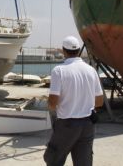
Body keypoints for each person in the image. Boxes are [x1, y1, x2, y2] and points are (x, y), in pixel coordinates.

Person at [43, 36, 104, 166]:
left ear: (64, 51)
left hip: (67, 125)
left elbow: (53, 103)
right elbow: (99, 101)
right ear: (79, 51)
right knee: (84, 162)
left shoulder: (59, 71)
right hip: (87, 125)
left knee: (54, 159)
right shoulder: (91, 70)